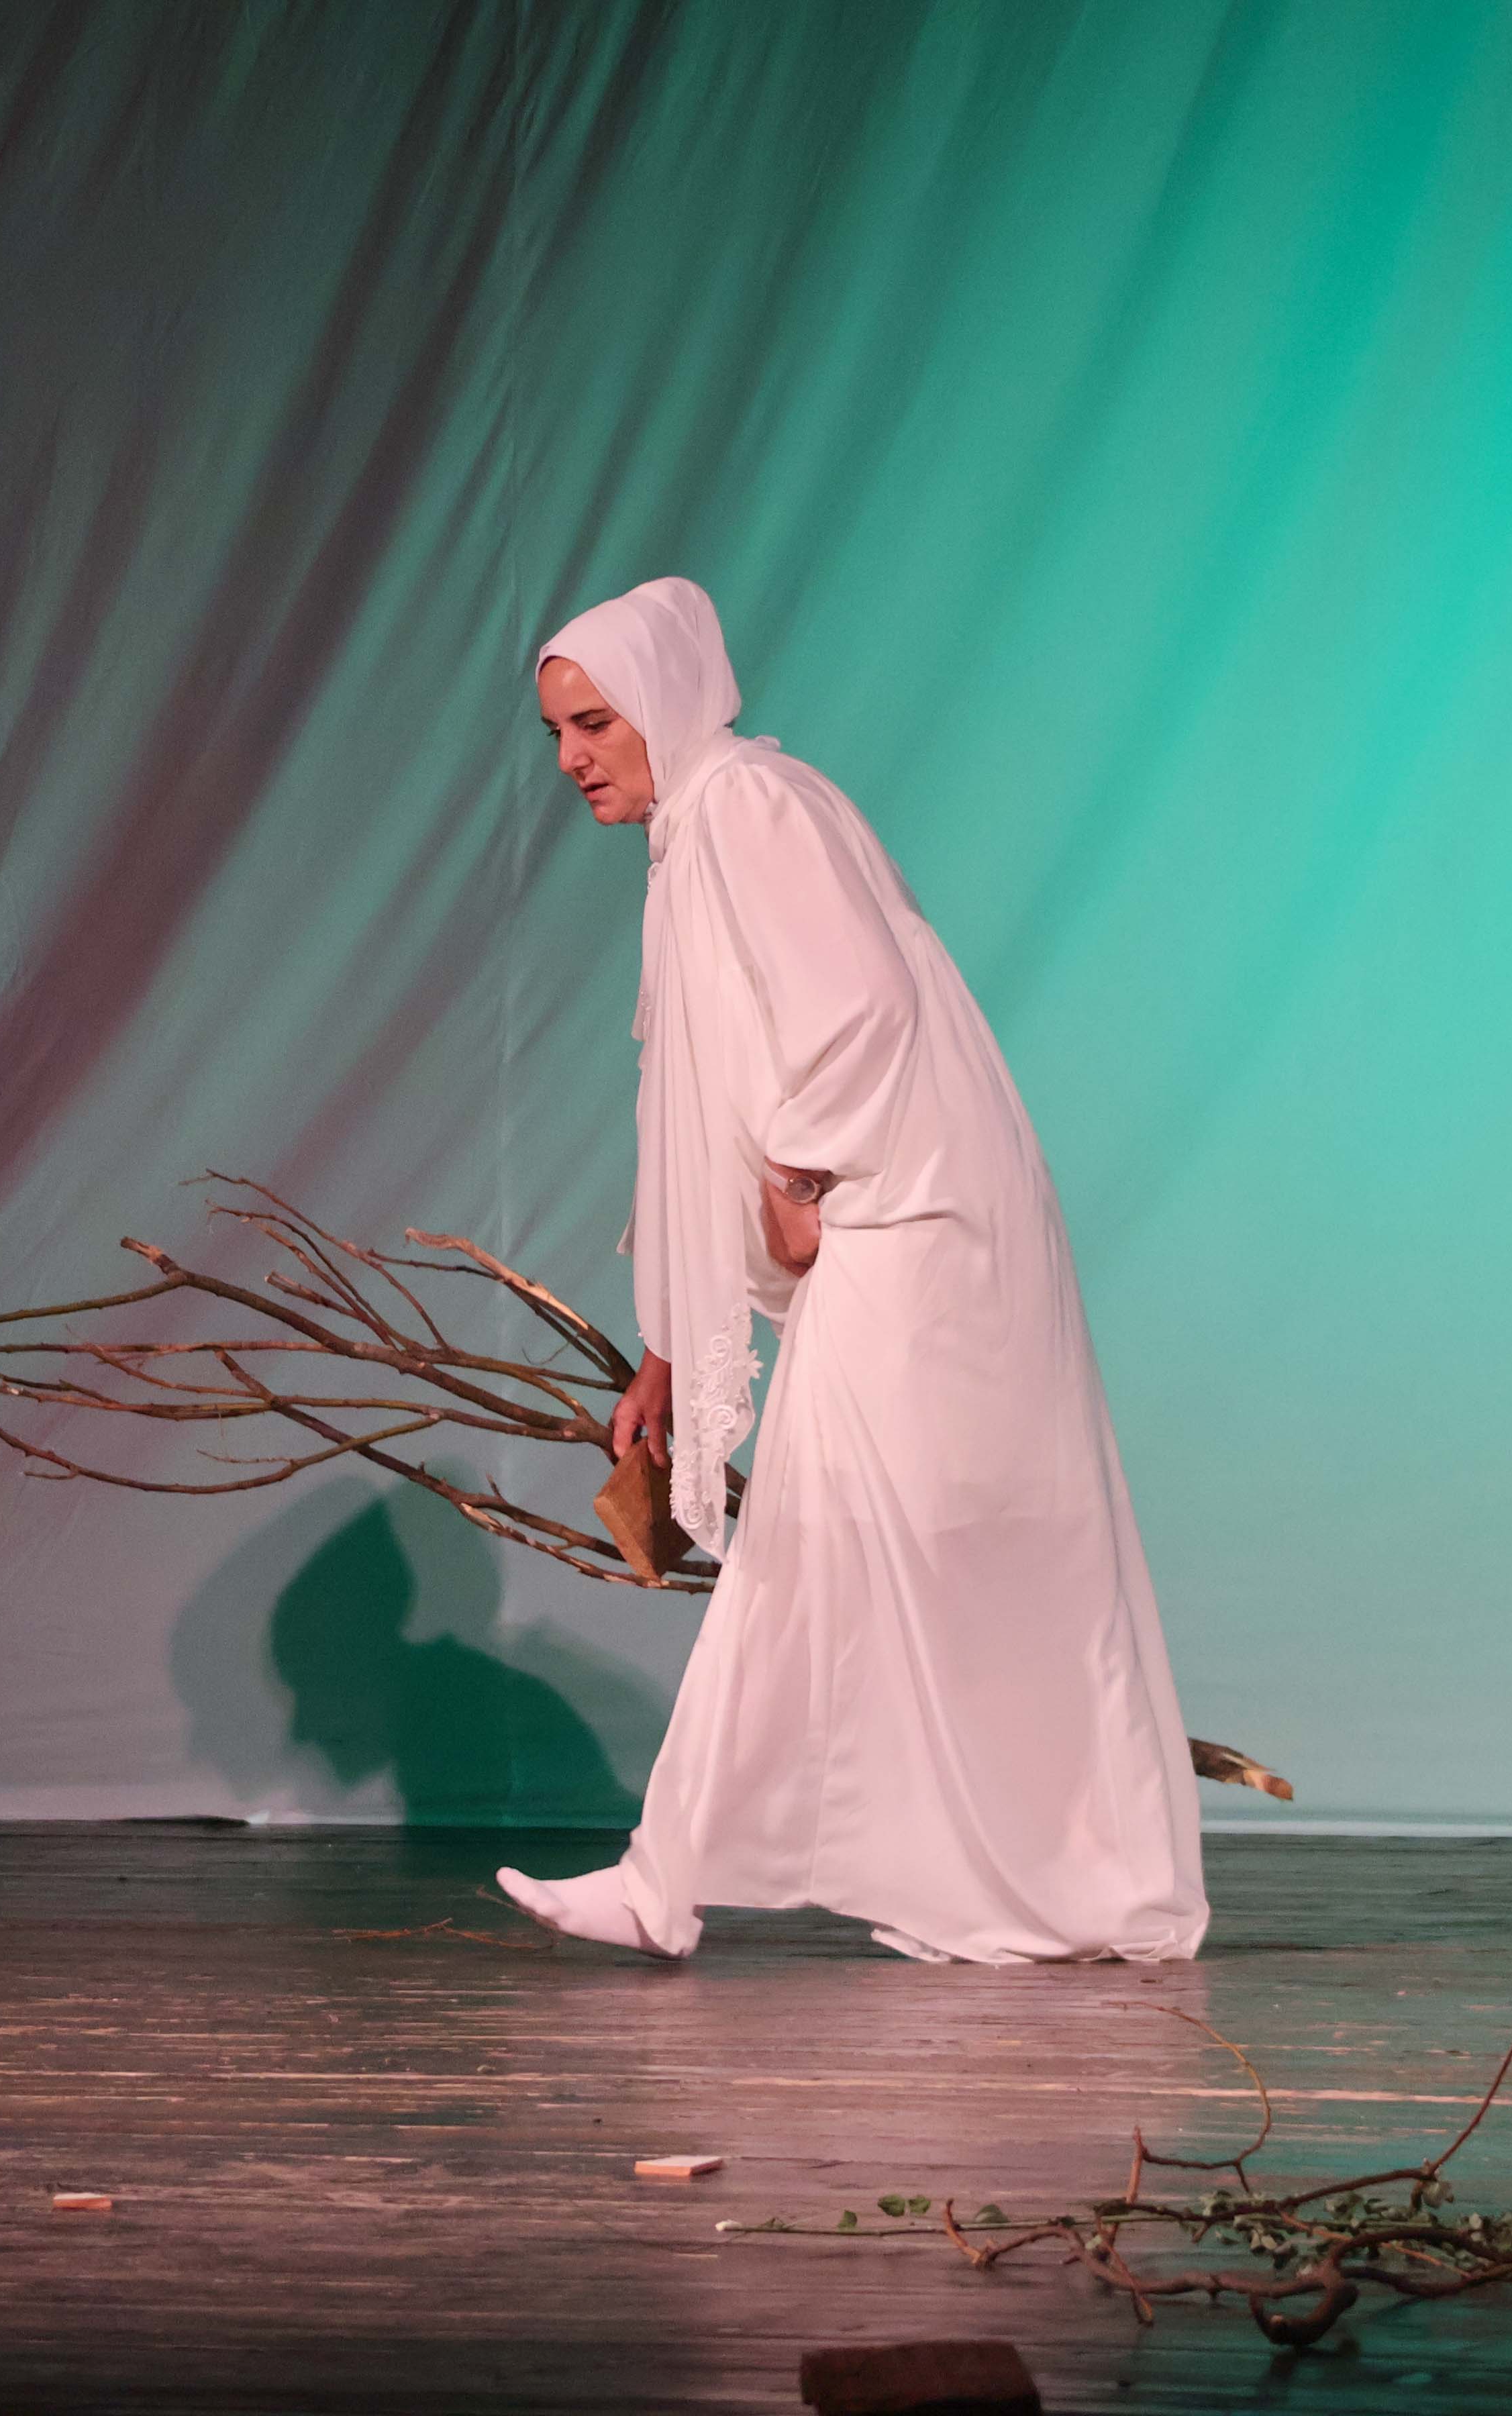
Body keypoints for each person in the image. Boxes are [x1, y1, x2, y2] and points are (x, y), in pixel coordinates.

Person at [495, 577, 1210, 1964]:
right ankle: (1060, 1876)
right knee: (907, 1550)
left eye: (595, 723)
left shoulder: (749, 811)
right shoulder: (702, 830)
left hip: (909, 1216)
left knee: (851, 1541)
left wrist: (800, 1180)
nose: (573, 757)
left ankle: (668, 1881)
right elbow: (704, 1106)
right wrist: (666, 1350)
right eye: (557, 733)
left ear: (665, 707)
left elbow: (860, 1011)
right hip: (895, 1208)